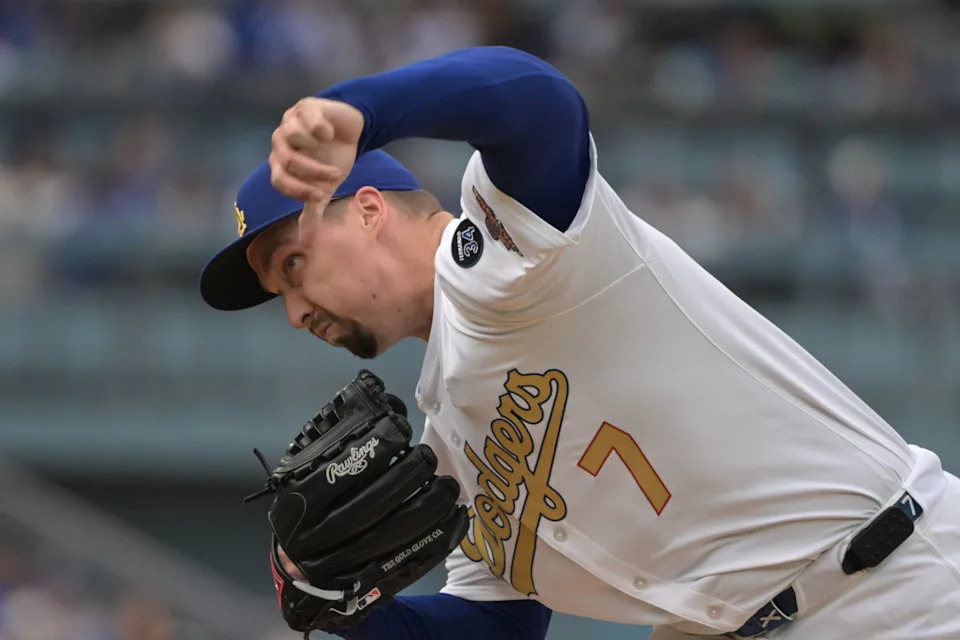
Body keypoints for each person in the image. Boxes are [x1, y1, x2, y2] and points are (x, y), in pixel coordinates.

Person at [200, 47, 960, 639]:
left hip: (897, 587)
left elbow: (539, 101)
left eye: (293, 266)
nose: (293, 312)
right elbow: (496, 629)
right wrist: (342, 607)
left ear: (368, 211)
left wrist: (363, 109)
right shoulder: (444, 443)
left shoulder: (512, 252)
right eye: (277, 294)